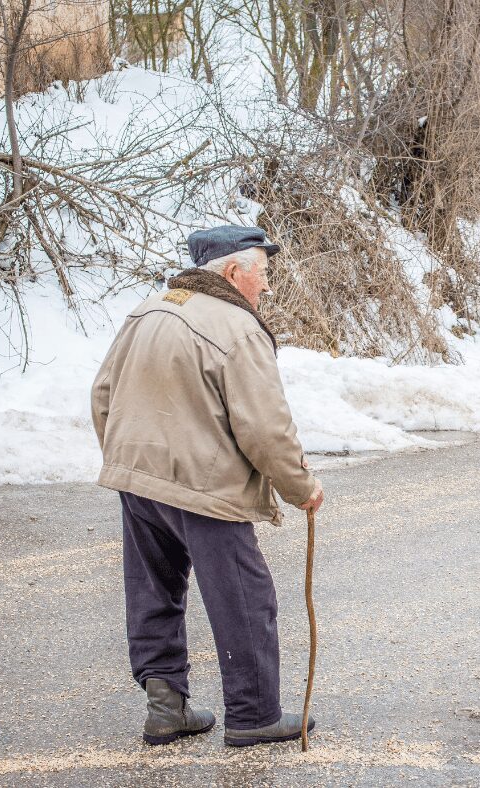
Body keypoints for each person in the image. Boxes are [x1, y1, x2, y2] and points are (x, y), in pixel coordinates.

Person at [90, 225, 324, 747]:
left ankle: (166, 707)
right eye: (262, 273)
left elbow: (102, 393)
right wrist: (300, 486)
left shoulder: (146, 310)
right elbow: (265, 427)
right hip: (202, 485)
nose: (266, 286)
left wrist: (126, 458)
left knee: (154, 590)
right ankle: (255, 715)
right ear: (233, 271)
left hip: (138, 477)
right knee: (245, 597)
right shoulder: (237, 327)